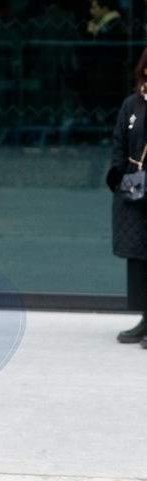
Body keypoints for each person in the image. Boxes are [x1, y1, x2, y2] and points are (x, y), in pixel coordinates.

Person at [106, 47, 147, 346]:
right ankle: (145, 318)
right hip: (135, 191)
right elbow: (119, 143)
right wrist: (119, 178)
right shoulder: (132, 104)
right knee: (139, 259)